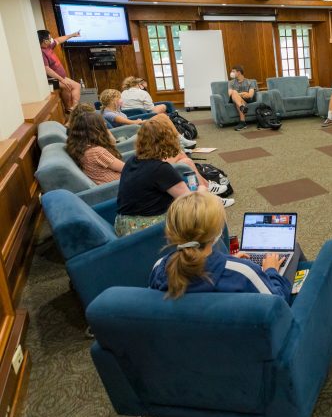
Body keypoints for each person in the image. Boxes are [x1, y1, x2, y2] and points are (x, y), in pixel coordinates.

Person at [149, 192, 292, 300]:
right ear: (218, 231)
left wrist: (231, 262)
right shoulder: (243, 273)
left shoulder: (159, 268)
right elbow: (277, 302)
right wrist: (271, 270)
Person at [115, 114, 232, 236]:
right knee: (210, 213)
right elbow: (192, 204)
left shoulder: (132, 160)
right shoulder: (160, 169)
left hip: (123, 223)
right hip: (143, 228)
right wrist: (202, 189)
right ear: (168, 139)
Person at [100, 88, 194, 148]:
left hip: (134, 127)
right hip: (132, 131)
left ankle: (180, 142)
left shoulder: (115, 110)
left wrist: (139, 121)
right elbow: (128, 122)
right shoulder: (109, 114)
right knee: (162, 117)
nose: (121, 100)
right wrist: (139, 121)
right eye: (119, 98)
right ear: (113, 100)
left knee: (162, 118)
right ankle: (180, 141)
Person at [65, 111, 125, 185]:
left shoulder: (80, 148)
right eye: (102, 123)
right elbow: (126, 168)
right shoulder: (96, 152)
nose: (105, 124)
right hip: (121, 184)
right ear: (95, 129)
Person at [38, 29, 82, 113]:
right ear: (44, 41)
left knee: (77, 86)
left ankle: (74, 108)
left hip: (61, 77)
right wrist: (61, 79)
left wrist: (72, 35)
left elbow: (58, 40)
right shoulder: (41, 52)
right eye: (50, 38)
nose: (51, 39)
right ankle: (68, 109)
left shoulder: (48, 46)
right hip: (52, 79)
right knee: (67, 86)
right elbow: (47, 69)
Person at [228, 65, 258, 131]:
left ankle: (243, 122)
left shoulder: (250, 82)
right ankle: (242, 108)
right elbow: (230, 94)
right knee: (234, 92)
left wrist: (238, 95)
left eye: (233, 71)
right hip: (233, 98)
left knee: (237, 100)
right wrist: (243, 93)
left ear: (238, 72)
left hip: (245, 100)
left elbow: (250, 95)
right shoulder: (231, 82)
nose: (231, 73)